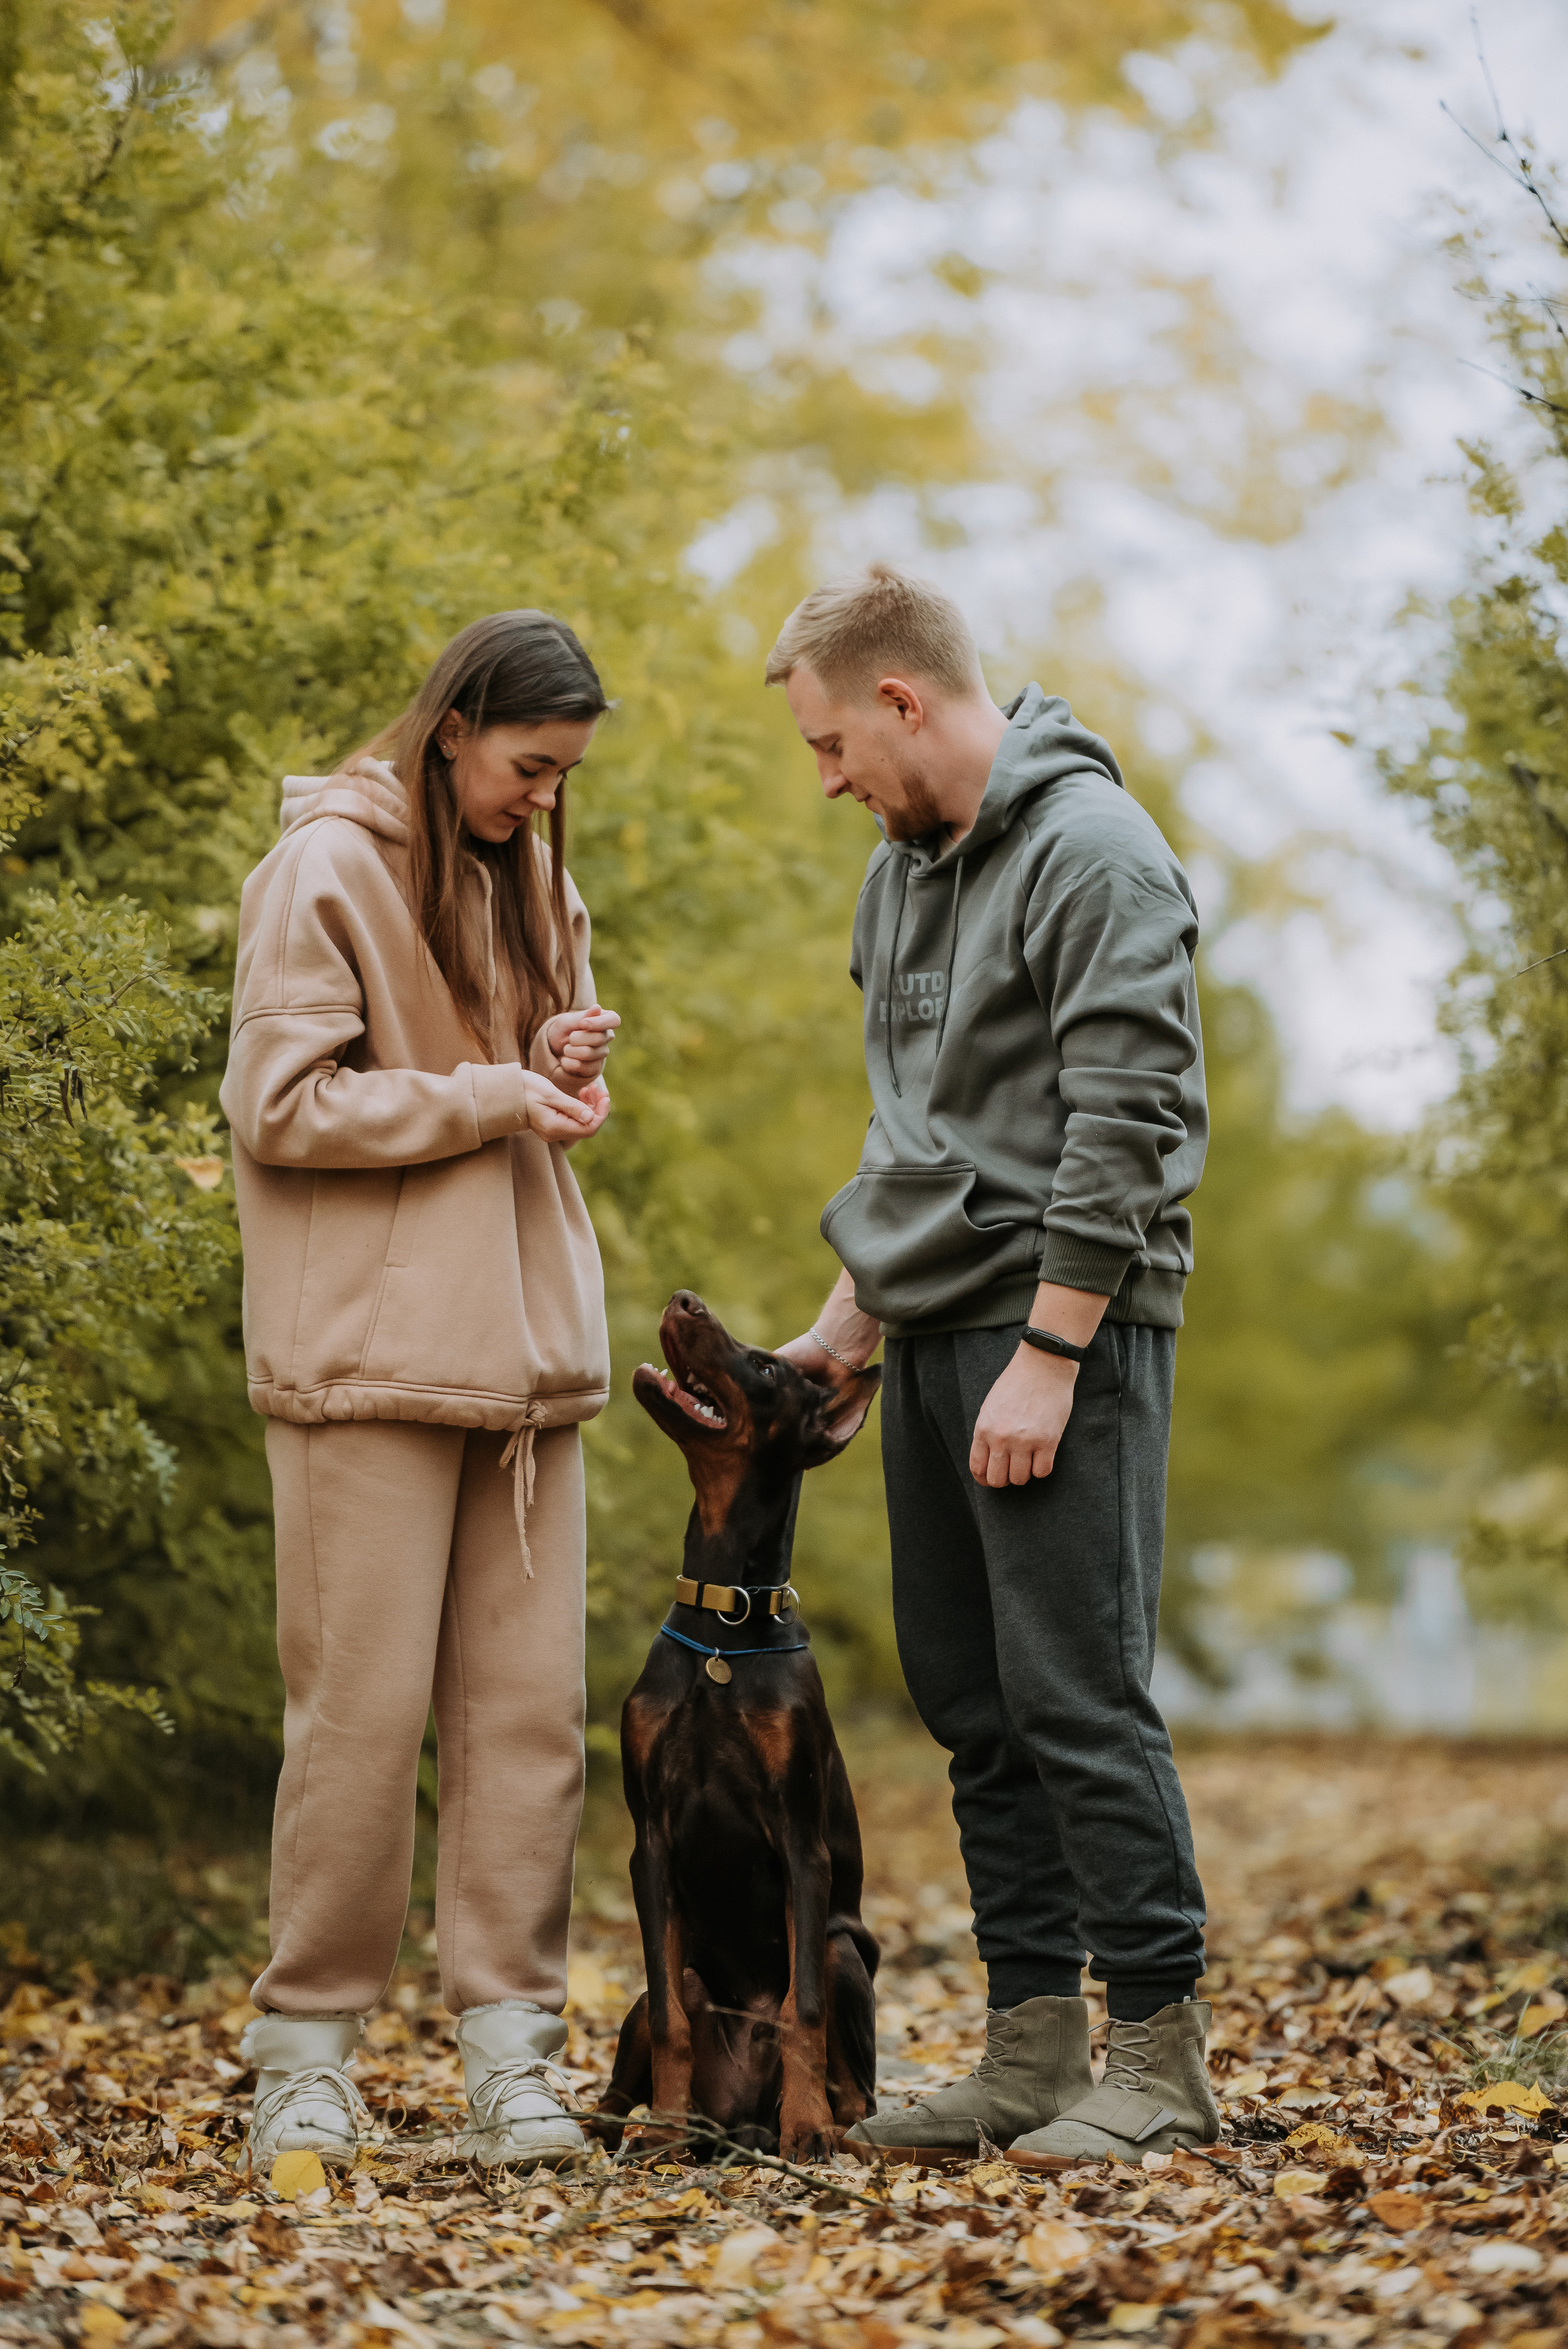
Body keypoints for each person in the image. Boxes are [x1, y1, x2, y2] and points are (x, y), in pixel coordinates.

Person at [772, 566, 1221, 2163]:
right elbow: (917, 1138)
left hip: (1067, 1328)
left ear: (903, 700)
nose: (828, 782)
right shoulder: (901, 875)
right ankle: (1034, 2052)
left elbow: (1133, 1122)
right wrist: (847, 1325)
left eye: (832, 746)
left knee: (1075, 1691)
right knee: (974, 1701)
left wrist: (1050, 1351)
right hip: (941, 1324)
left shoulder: (1096, 853)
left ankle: (1159, 2062)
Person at [220, 610, 620, 2176]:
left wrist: (560, 1058)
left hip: (526, 1365)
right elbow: (279, 1102)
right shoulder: (322, 871)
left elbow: (518, 1091)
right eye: (530, 766)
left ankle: (513, 2061)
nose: (543, 795)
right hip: (365, 1367)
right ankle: (303, 2059)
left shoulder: (538, 877)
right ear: (453, 726)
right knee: (358, 1727)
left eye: (565, 775)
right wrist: (486, 1092)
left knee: (529, 1732)